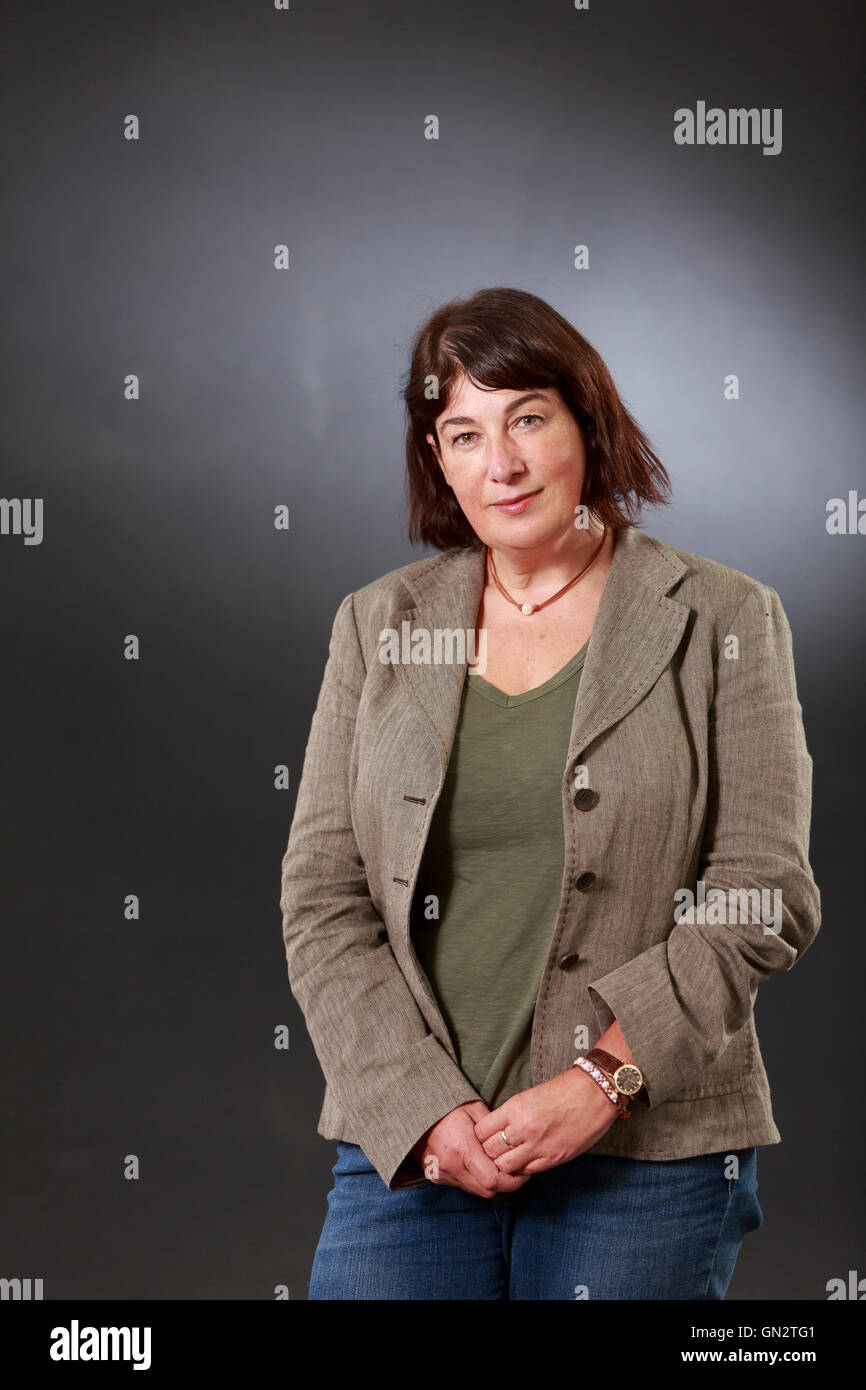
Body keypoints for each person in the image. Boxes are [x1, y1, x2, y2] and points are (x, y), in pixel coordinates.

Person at [279, 286, 821, 1300]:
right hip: (418, 1141)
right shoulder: (376, 624)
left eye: (527, 416)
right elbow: (323, 895)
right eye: (463, 433)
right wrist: (420, 1104)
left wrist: (600, 1082)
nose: (504, 463)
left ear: (586, 417)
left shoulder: (722, 615)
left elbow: (761, 888)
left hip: (646, 1148)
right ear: (434, 457)